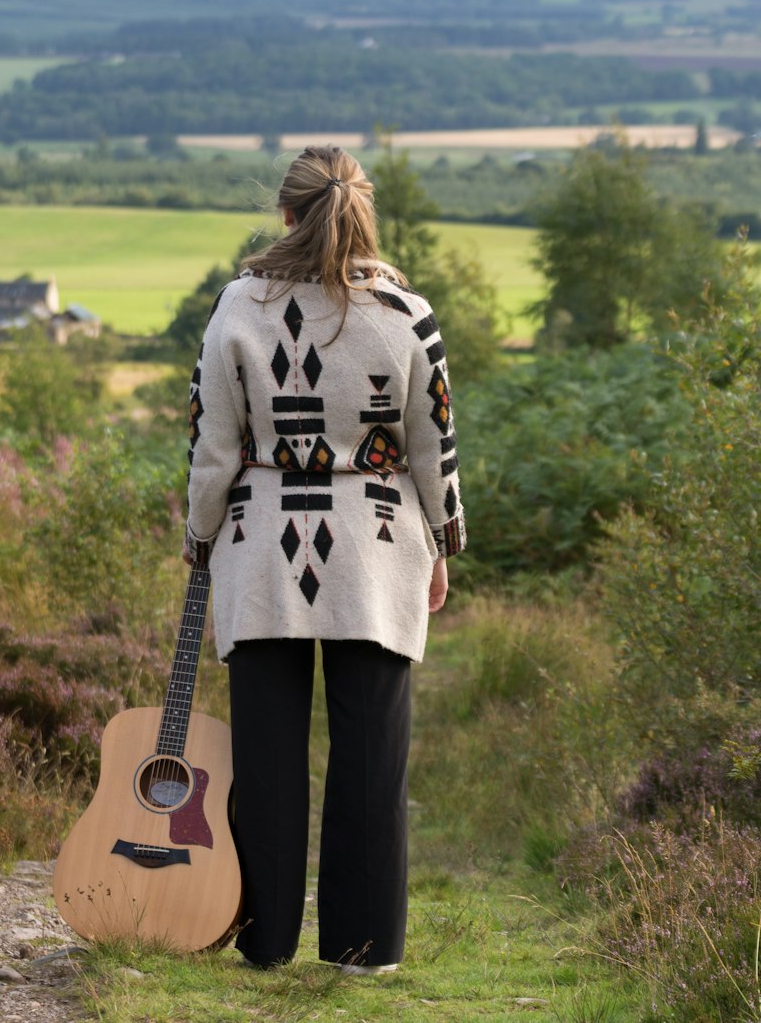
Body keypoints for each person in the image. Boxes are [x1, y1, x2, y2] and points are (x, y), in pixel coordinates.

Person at [183, 143, 466, 973]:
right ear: (363, 213)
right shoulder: (408, 313)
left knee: (267, 760)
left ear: (285, 214)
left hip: (261, 546)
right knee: (373, 759)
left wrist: (200, 537)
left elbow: (212, 445)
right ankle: (362, 947)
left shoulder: (239, 304)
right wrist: (442, 544)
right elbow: (434, 445)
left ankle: (264, 943)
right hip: (379, 549)